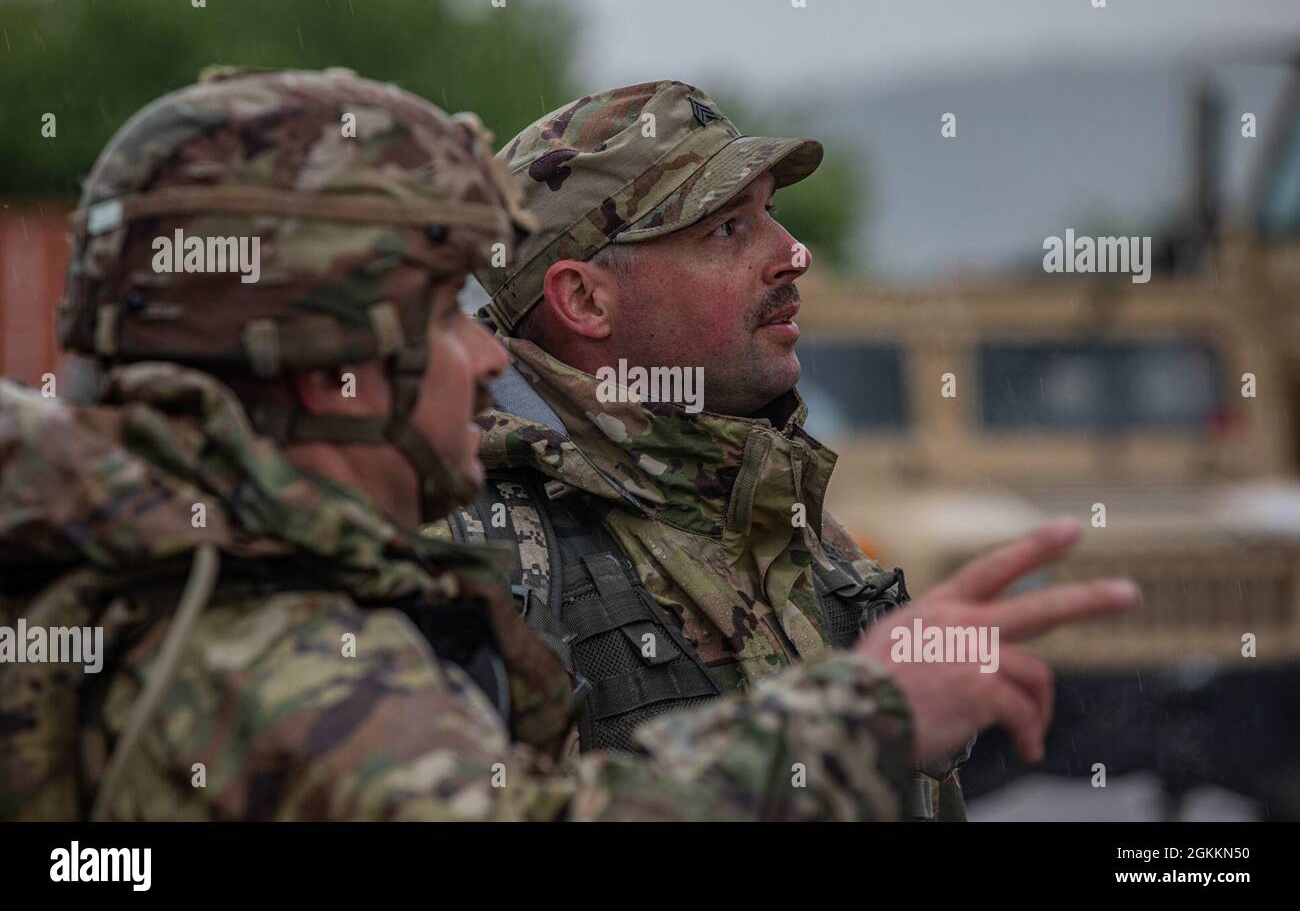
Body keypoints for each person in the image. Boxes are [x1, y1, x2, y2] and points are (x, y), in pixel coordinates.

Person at [0, 67, 1135, 822]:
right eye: (728, 227)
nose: (483, 355)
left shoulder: (774, 504)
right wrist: (867, 714)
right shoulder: (334, 600)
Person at [434, 80, 1138, 820]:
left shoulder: (795, 529)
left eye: (770, 214)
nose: (793, 255)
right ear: (584, 300)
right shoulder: (469, 553)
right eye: (726, 230)